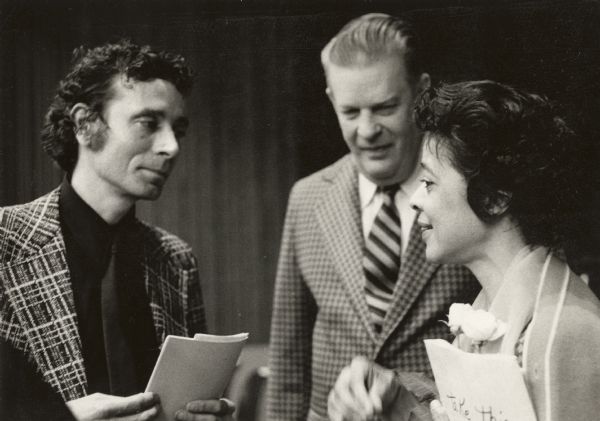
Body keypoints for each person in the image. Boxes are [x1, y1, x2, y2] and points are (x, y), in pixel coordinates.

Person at [328, 80, 600, 421]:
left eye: (428, 182)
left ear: (495, 197)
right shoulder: (488, 307)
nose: (415, 200)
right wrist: (398, 404)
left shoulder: (561, 330)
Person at [0, 39, 234, 421]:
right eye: (148, 123)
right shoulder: (5, 240)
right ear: (84, 124)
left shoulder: (176, 259)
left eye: (179, 129)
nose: (171, 146)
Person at [267, 14, 478, 421]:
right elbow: (288, 362)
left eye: (384, 108)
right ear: (331, 99)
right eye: (350, 111)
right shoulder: (307, 199)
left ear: (420, 92)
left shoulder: (464, 193)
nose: (367, 130)